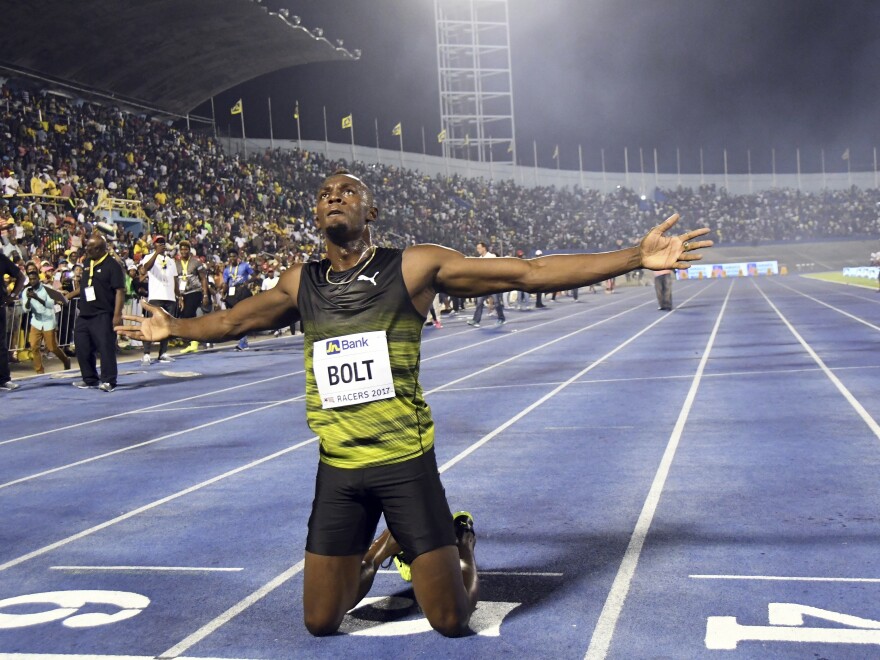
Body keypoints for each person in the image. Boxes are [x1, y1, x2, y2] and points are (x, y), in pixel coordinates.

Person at [116, 168, 711, 637]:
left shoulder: (415, 266)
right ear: (315, 213)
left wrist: (635, 257)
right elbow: (237, 318)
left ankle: (461, 540)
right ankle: (381, 547)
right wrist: (175, 329)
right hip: (340, 467)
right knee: (320, 621)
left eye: (348, 191)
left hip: (404, 461)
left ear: (371, 211)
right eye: (324, 193)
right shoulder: (302, 283)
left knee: (451, 622)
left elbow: (527, 274)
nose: (334, 197)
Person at [70, 233, 125, 392]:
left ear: (100, 249)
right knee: (82, 346)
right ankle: (89, 379)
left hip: (103, 313)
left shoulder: (112, 265)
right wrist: (67, 296)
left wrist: (117, 315)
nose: (86, 250)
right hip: (85, 313)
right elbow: (84, 287)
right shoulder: (87, 262)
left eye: (90, 248)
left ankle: (109, 380)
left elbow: (120, 291)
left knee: (106, 347)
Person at [21, 266, 71, 373]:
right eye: (30, 279)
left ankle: (66, 360)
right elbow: (26, 309)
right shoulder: (26, 291)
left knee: (52, 347)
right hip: (36, 321)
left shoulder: (47, 288)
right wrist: (29, 300)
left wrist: (37, 298)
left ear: (38, 279)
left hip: (48, 320)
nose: (32, 281)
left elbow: (50, 304)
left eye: (34, 279)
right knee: (34, 346)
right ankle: (39, 371)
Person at [139, 235, 178, 364]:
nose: (161, 244)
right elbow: (145, 269)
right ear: (154, 244)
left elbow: (174, 279)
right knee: (152, 325)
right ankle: (146, 353)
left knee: (167, 327)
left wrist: (179, 295)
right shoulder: (149, 257)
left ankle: (163, 353)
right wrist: (156, 253)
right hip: (156, 297)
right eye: (158, 242)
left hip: (169, 297)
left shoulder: (171, 261)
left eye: (162, 242)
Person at [176, 240, 210, 354]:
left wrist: (205, 294)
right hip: (182, 293)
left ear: (189, 250)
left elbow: (203, 278)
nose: (184, 251)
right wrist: (178, 295)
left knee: (188, 314)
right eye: (182, 249)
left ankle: (194, 342)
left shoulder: (196, 262)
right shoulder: (176, 263)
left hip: (195, 291)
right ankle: (195, 340)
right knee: (186, 317)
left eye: (186, 249)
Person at [0, 250, 26, 391]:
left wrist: (13, 295)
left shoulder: (1, 259)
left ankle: (4, 380)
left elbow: (21, 277)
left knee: (1, 346)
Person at [466, 242, 507, 328]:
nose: (478, 250)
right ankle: (476, 320)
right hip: (483, 285)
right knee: (479, 302)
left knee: (496, 302)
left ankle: (501, 318)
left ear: (484, 248)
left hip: (493, 284)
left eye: (479, 248)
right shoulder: (479, 259)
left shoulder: (492, 256)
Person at [222, 249, 254, 350]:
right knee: (236, 316)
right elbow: (225, 284)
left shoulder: (245, 266)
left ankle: (243, 342)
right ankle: (243, 341)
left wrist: (246, 283)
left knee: (242, 316)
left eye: (234, 256)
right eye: (230, 257)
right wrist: (223, 294)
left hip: (242, 291)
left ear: (237, 256)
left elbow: (254, 276)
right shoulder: (227, 269)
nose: (232, 258)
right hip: (232, 293)